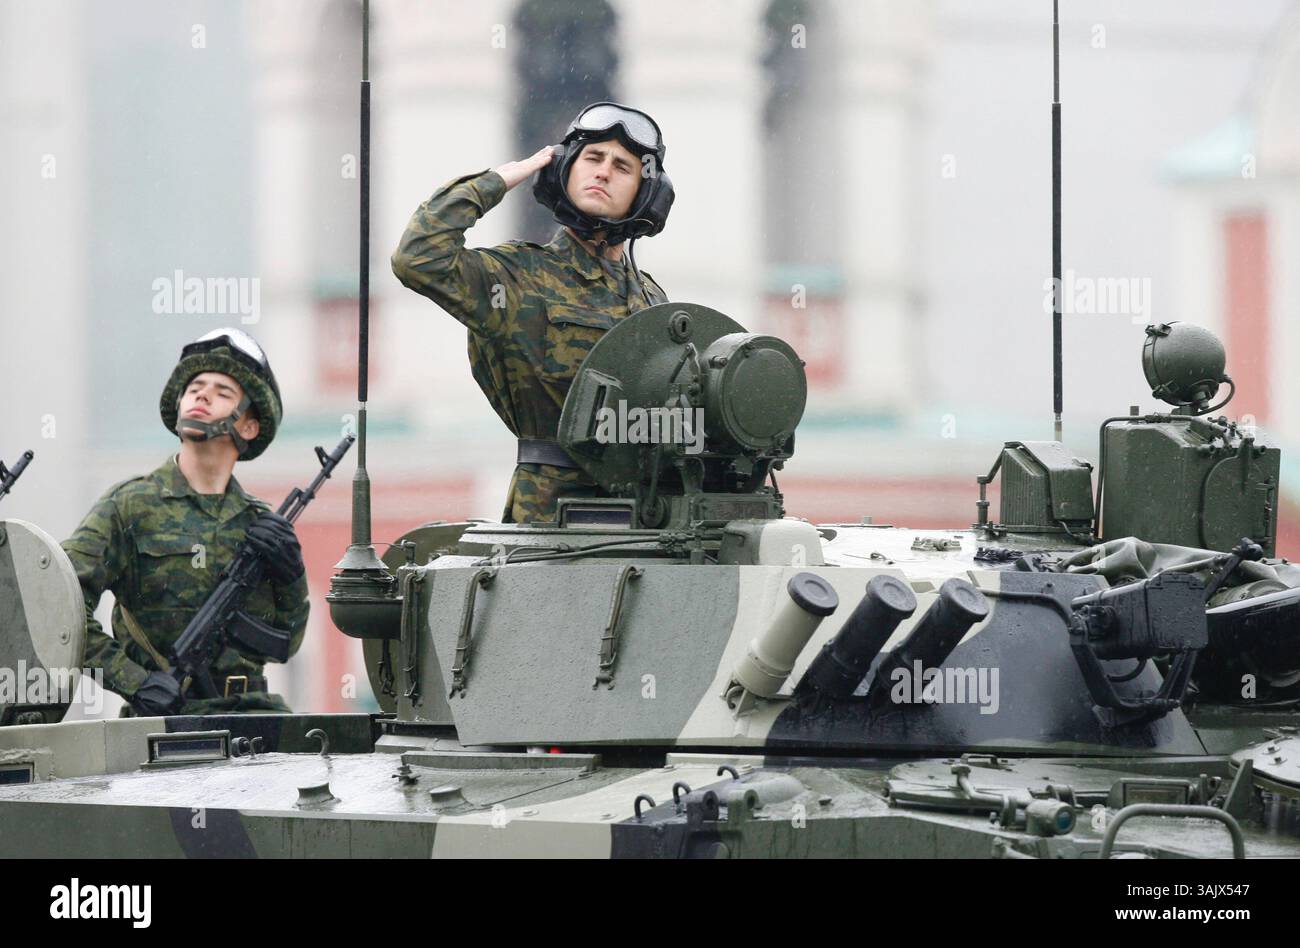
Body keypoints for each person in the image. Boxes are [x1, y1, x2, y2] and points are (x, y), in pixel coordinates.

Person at [392, 101, 676, 523]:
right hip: (549, 522)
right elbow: (418, 258)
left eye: (622, 167)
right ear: (565, 168)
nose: (603, 171)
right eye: (592, 158)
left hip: (650, 518)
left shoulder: (652, 298)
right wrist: (502, 178)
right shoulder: (518, 277)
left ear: (646, 192)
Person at [62, 329, 309, 716]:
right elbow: (60, 608)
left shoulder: (260, 524)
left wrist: (292, 576)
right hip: (162, 722)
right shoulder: (129, 506)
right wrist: (134, 681)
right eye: (194, 387)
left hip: (255, 721)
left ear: (248, 427)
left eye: (223, 393)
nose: (201, 395)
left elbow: (286, 643)